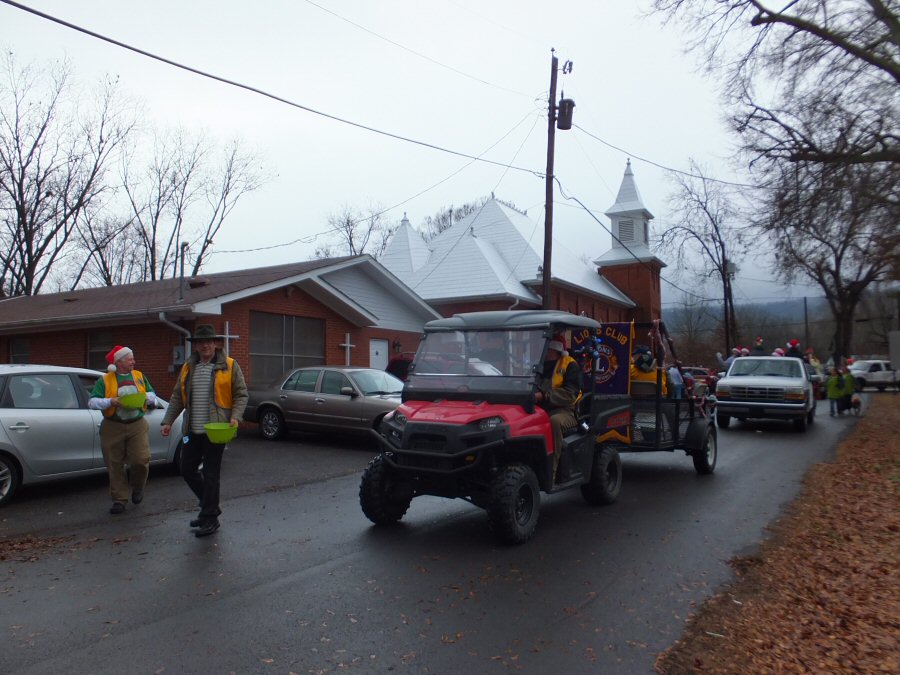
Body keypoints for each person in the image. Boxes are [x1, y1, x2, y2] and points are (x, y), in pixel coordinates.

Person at [161, 324, 248, 537]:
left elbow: (241, 394)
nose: (206, 345)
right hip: (192, 430)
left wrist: (235, 416)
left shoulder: (229, 365)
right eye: (201, 342)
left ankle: (209, 518)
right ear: (196, 346)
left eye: (209, 341)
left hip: (216, 430)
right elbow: (176, 397)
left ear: (216, 343)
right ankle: (210, 507)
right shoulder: (188, 367)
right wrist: (168, 421)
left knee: (211, 473)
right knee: (187, 469)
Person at [88, 345, 159, 514]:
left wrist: (148, 399)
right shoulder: (105, 380)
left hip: (137, 424)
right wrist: (111, 401)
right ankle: (119, 499)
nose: (133, 362)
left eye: (133, 359)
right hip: (112, 425)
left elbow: (152, 395)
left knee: (141, 459)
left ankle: (137, 487)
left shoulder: (139, 376)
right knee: (114, 464)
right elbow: (92, 402)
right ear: (119, 362)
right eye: (130, 359)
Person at [534, 334, 580, 482]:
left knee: (553, 422)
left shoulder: (570, 365)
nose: (543, 351)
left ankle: (550, 473)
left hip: (565, 411)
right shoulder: (538, 365)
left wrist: (544, 396)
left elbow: (570, 394)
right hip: (538, 409)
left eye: (546, 348)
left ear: (553, 349)